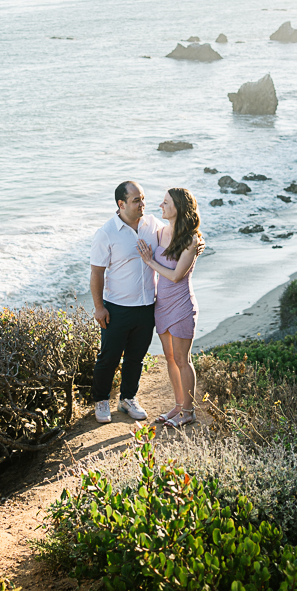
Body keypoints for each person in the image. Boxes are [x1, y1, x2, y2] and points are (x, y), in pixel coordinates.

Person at [89, 181, 164, 424]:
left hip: (146, 306)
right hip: (117, 308)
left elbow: (175, 235)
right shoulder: (106, 233)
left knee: (136, 357)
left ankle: (127, 398)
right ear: (121, 204)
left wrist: (196, 241)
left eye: (143, 199)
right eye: (136, 200)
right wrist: (99, 307)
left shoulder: (152, 224)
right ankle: (101, 400)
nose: (142, 204)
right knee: (108, 357)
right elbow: (97, 273)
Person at [137, 187, 202, 428]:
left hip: (181, 305)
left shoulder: (191, 240)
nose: (161, 206)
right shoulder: (161, 232)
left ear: (178, 208)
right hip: (161, 305)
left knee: (183, 360)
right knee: (170, 359)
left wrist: (150, 262)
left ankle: (189, 410)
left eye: (165, 203)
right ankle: (178, 405)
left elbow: (176, 276)